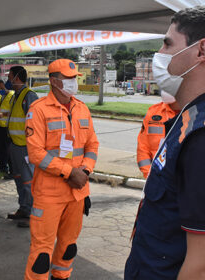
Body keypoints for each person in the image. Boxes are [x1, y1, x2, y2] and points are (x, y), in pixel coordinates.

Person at [125, 7, 205, 279]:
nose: (159, 52)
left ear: (201, 50)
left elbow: (200, 265)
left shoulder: (200, 136)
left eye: (168, 43)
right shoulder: (188, 118)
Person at [24, 59, 99, 280]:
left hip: (77, 193)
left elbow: (92, 145)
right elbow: (36, 153)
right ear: (54, 81)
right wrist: (69, 172)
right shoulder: (37, 110)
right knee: (41, 256)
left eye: (74, 78)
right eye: (68, 78)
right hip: (49, 194)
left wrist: (85, 171)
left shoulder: (82, 108)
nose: (73, 82)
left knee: (68, 248)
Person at [6, 66, 38, 227]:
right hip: (15, 145)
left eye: (10, 76)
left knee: (28, 181)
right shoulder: (15, 96)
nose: (8, 79)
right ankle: (24, 208)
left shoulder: (29, 96)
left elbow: (36, 123)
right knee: (19, 178)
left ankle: (32, 214)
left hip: (26, 147)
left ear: (17, 78)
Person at [136, 91, 180, 178]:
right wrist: (149, 175)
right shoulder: (153, 112)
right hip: (156, 177)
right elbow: (142, 148)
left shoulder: (195, 113)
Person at [0, 80, 14, 179]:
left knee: (8, 150)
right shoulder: (0, 97)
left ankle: (12, 171)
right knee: (0, 149)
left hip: (7, 126)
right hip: (0, 125)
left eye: (2, 88)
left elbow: (14, 111)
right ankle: (2, 169)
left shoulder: (12, 96)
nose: (0, 90)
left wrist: (4, 114)